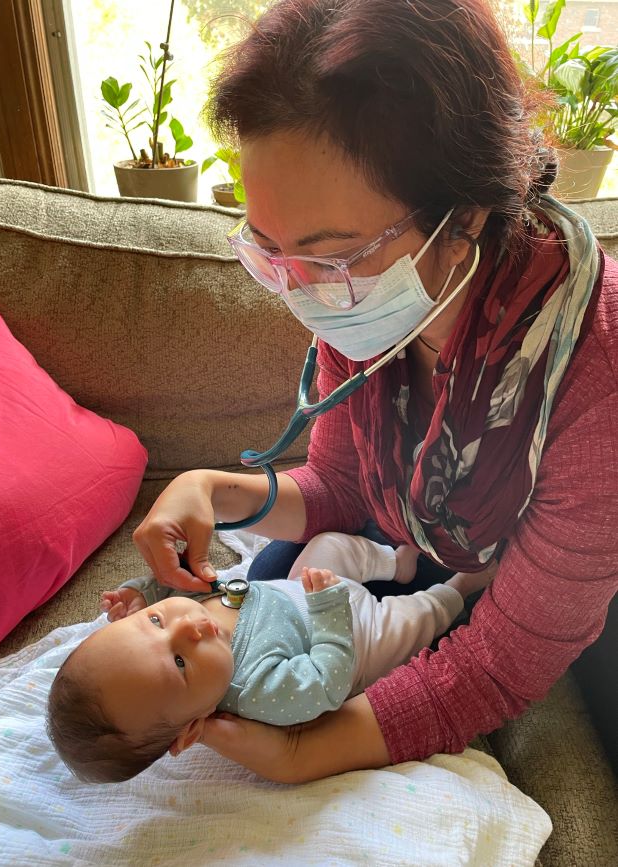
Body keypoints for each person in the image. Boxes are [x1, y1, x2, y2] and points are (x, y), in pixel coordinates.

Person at [132, 0, 618, 783]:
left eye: (330, 258)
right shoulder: (369, 303)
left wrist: (305, 752)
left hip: (545, 587)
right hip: (413, 551)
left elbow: (503, 659)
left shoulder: (595, 377)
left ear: (463, 217)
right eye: (271, 253)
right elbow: (346, 485)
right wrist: (208, 489)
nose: (304, 295)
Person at [46, 533, 493, 782]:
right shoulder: (257, 691)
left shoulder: (182, 618)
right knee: (417, 619)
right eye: (181, 663)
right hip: (357, 633)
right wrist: (328, 611)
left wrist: (143, 591)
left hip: (303, 587)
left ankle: (396, 564)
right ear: (189, 731)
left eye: (155, 623)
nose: (189, 626)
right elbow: (328, 680)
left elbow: (174, 586)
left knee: (330, 544)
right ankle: (459, 589)